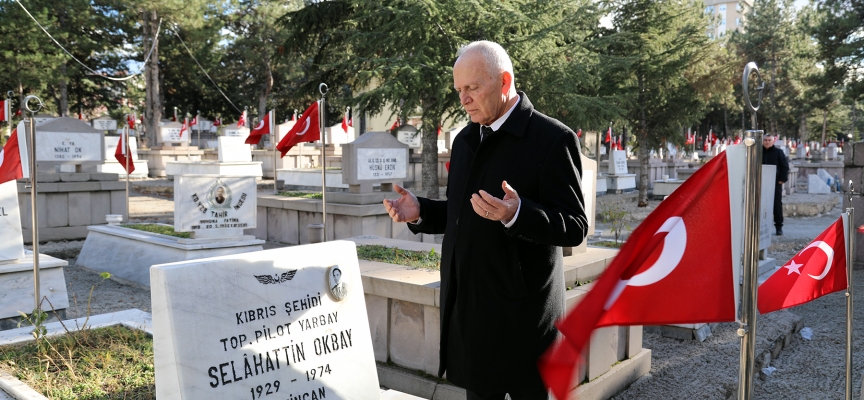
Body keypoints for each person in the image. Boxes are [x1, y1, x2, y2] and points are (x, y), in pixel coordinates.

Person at [382, 41, 587, 400]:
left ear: (504, 81)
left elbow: (574, 226)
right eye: (459, 90)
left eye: (473, 88)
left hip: (525, 321)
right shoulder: (465, 140)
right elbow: (464, 213)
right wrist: (421, 212)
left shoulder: (553, 138)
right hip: (474, 316)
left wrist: (518, 214)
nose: (464, 99)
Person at [762, 134, 789, 235]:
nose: (767, 142)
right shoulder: (758, 152)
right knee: (759, 204)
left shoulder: (779, 152)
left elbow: (785, 166)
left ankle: (778, 227)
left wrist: (782, 179)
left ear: (773, 141)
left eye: (769, 140)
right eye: (765, 140)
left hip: (775, 182)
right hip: (760, 182)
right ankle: (760, 226)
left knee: (776, 205)